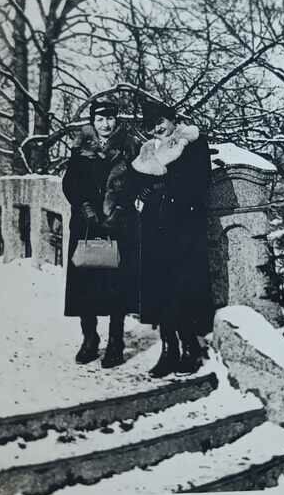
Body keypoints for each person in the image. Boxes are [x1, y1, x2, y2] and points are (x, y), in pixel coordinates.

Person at [132, 100, 214, 377]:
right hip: (154, 227)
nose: (157, 128)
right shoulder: (146, 152)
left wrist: (168, 190)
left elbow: (201, 182)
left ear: (172, 119)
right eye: (150, 124)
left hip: (184, 227)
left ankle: (190, 347)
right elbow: (138, 184)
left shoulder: (192, 143)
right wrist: (143, 194)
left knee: (184, 287)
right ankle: (169, 350)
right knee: (160, 289)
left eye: (161, 121)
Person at [62, 101, 139, 368]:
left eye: (110, 119)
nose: (105, 124)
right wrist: (86, 208)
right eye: (100, 119)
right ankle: (90, 339)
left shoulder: (129, 147)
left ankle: (116, 342)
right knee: (86, 283)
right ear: (93, 121)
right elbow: (70, 183)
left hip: (119, 224)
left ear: (115, 121)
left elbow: (137, 182)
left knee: (116, 285)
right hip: (86, 224)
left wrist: (118, 209)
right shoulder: (80, 149)